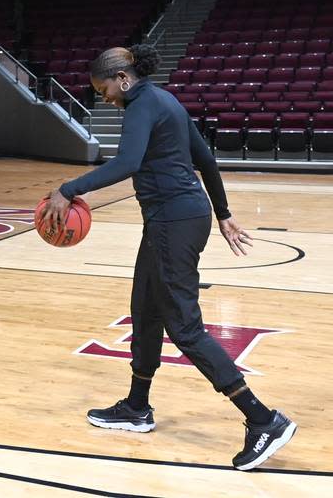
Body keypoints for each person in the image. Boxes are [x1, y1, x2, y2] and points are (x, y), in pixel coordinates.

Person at [42, 44, 297, 471]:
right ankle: (137, 407)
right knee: (144, 310)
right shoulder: (167, 102)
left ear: (123, 79)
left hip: (172, 223)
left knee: (183, 326)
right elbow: (206, 159)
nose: (104, 97)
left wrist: (69, 188)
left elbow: (127, 163)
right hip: (178, 218)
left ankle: (263, 419)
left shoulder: (142, 104)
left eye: (104, 89)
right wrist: (224, 213)